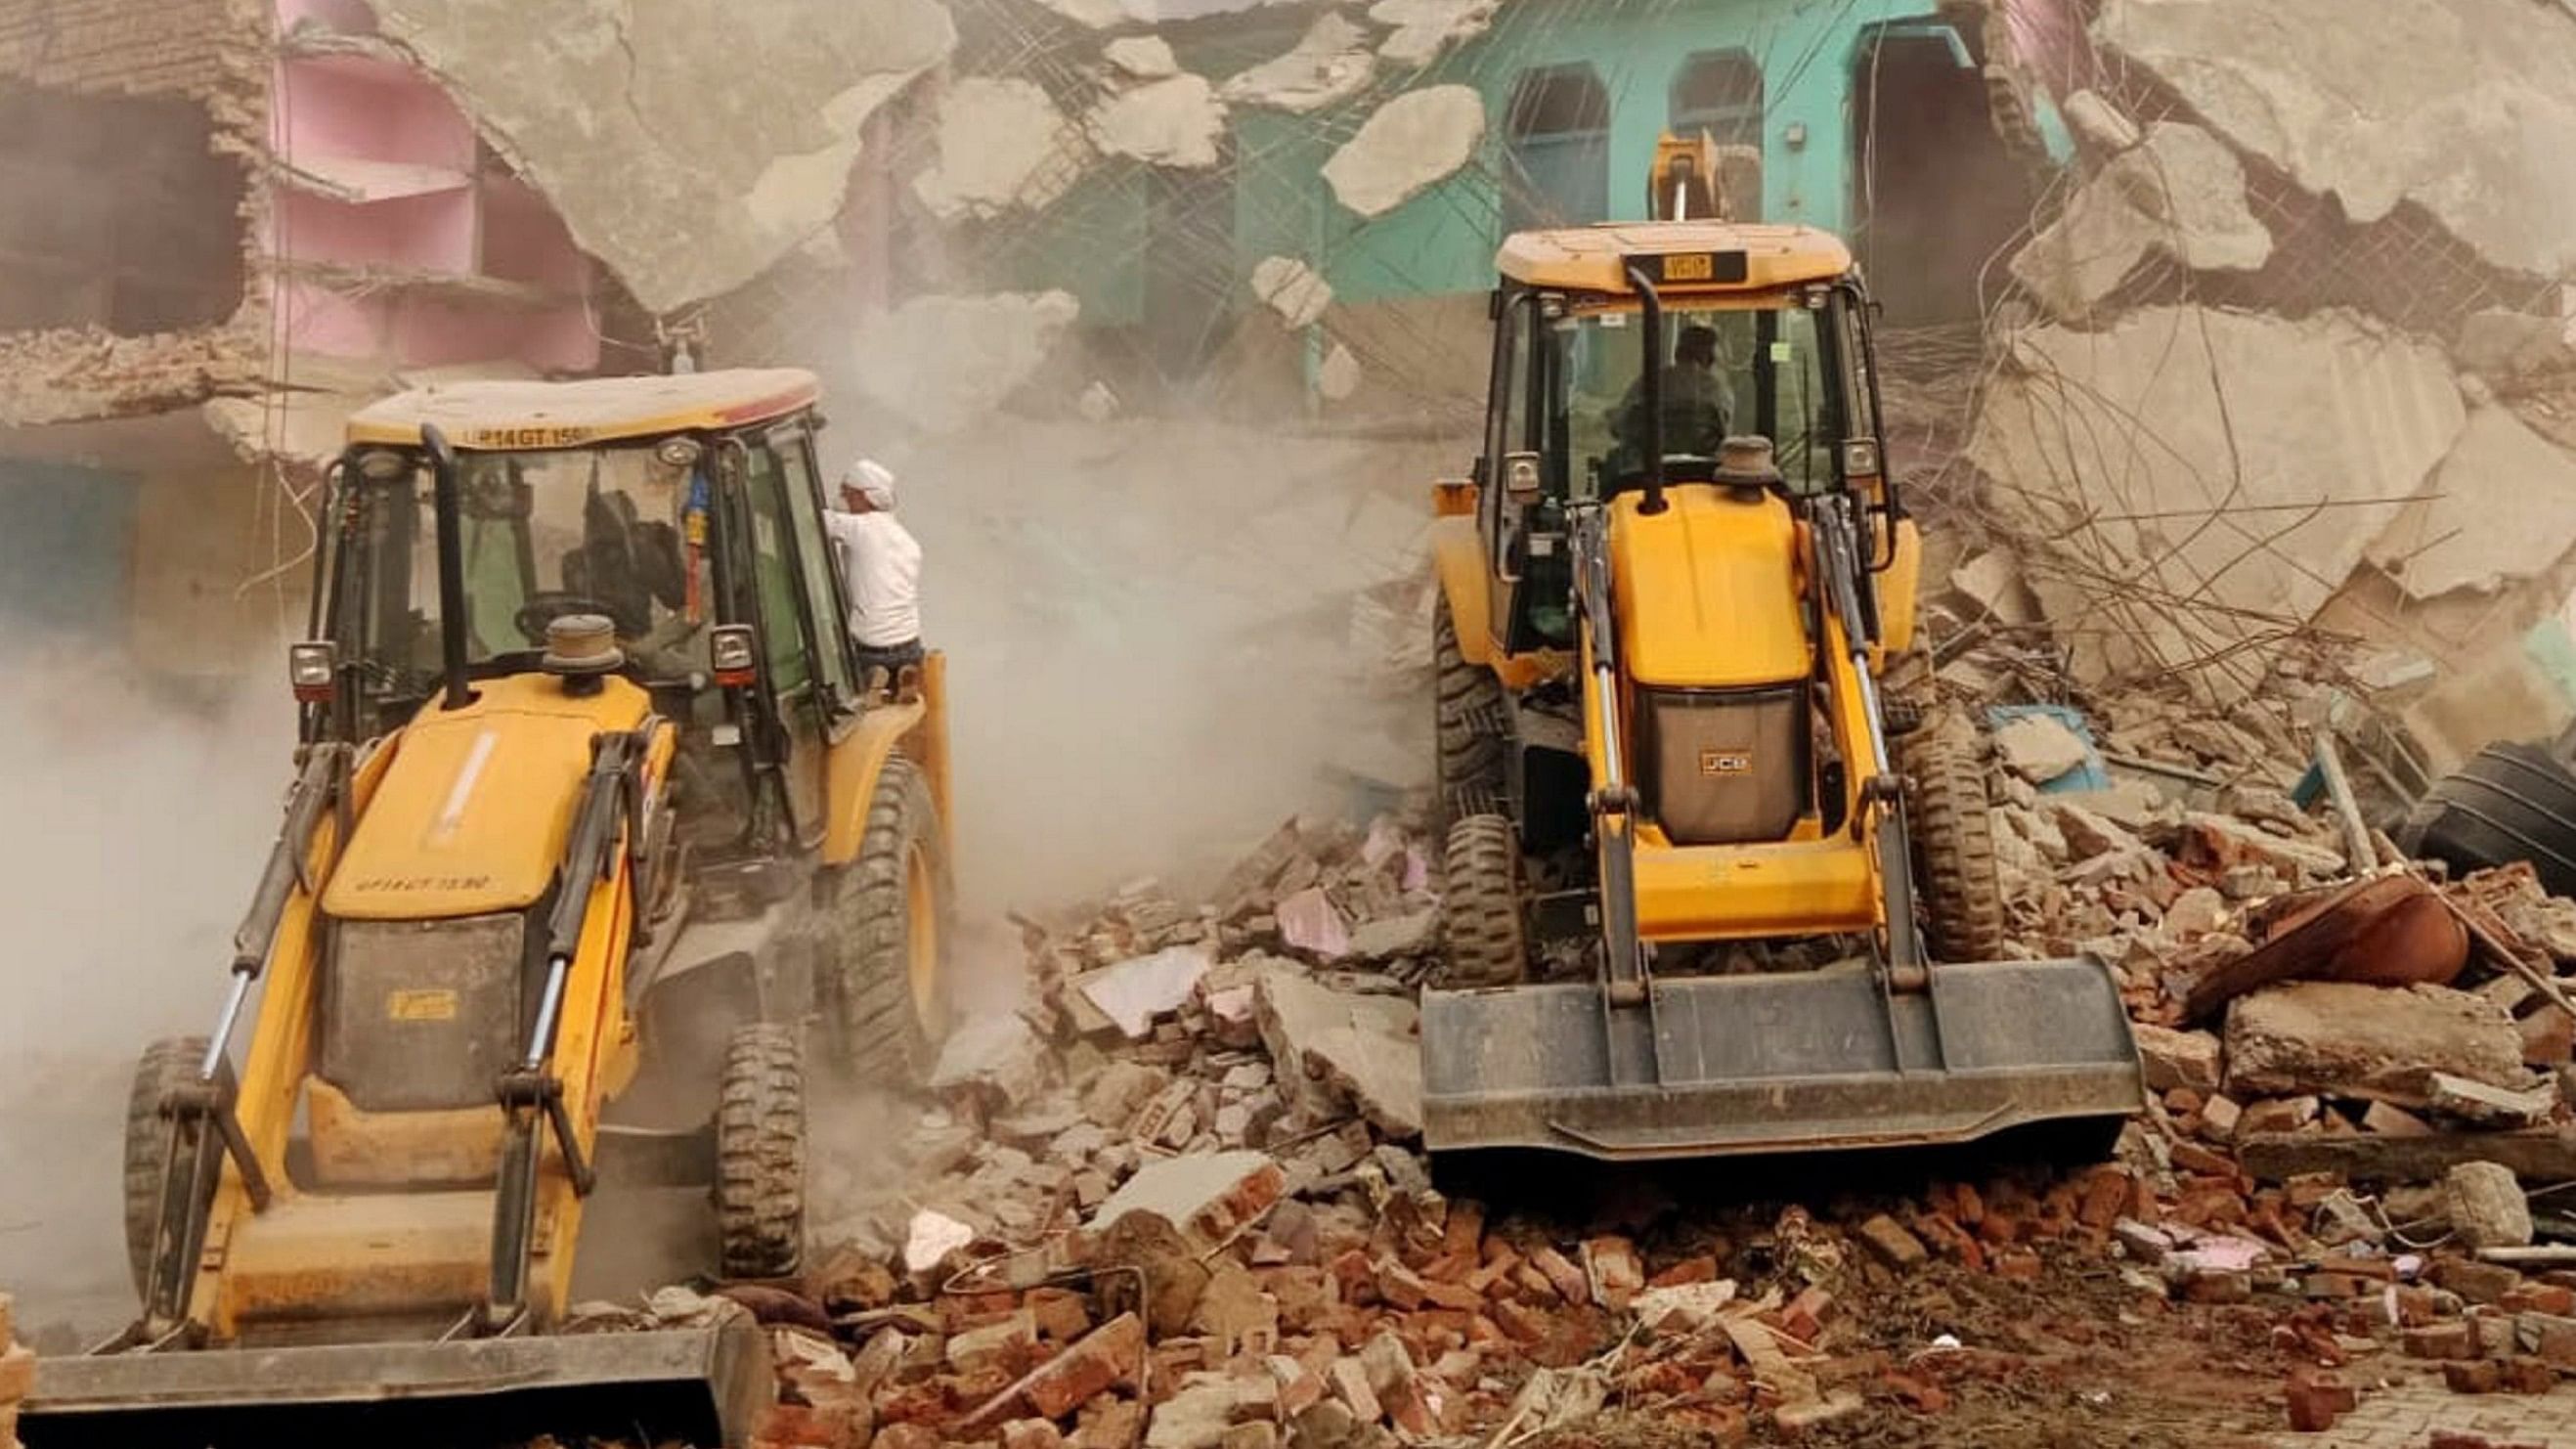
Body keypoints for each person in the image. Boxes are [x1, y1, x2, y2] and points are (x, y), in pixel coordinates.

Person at [822, 459, 923, 692]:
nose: (841, 500)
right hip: (911, 645)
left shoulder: (860, 529)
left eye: (845, 493)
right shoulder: (907, 540)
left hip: (872, 650)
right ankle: (903, 675)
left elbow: (807, 515)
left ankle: (874, 680)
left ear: (863, 496)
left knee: (850, 691)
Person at [1615, 322, 1731, 471]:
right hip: (1702, 475)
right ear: (1711, 359)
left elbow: (1619, 425)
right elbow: (1724, 433)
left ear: (1677, 353)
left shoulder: (1648, 382)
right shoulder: (1718, 390)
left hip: (1645, 477)